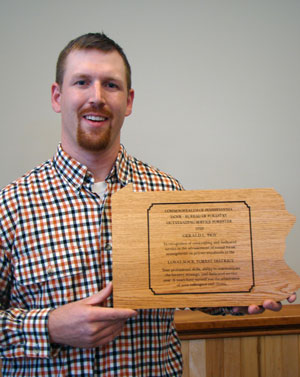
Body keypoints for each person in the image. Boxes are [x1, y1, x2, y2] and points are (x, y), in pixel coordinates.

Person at [0, 32, 296, 376]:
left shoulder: (165, 193)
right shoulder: (11, 205)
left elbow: (192, 286)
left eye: (111, 85)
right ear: (57, 96)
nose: (96, 97)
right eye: (82, 82)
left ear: (128, 101)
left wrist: (237, 295)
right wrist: (49, 327)